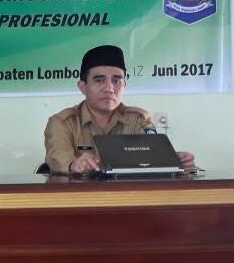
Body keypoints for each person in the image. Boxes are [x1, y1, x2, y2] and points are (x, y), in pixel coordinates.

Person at [43, 44, 195, 174]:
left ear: (124, 86)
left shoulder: (138, 120)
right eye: (99, 80)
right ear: (82, 87)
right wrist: (74, 164)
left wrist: (174, 162)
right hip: (80, 195)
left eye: (116, 80)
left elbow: (152, 159)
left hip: (128, 195)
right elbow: (57, 157)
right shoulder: (63, 122)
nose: (109, 88)